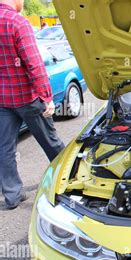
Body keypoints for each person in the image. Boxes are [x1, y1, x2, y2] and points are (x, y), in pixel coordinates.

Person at [0, 0, 64, 210]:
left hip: (2, 100)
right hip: (27, 98)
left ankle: (12, 196)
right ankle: (66, 184)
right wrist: (47, 96)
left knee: (5, 149)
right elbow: (34, 63)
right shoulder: (17, 22)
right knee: (51, 143)